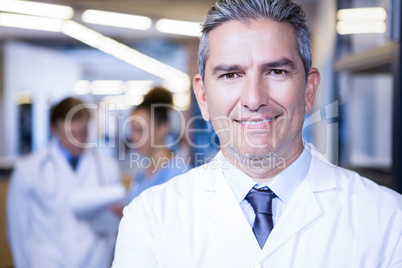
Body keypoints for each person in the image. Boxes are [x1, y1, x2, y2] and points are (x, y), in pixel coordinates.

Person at [112, 0, 402, 267]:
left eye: (276, 71)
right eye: (230, 75)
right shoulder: (149, 219)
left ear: (309, 89)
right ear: (202, 97)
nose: (253, 99)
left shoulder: (387, 221)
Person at [7, 97, 124, 268]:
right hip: (47, 261)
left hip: (95, 259)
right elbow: (18, 231)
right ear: (53, 129)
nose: (78, 141)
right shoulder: (28, 170)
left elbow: (113, 226)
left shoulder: (107, 168)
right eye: (71, 134)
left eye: (83, 133)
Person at [111, 88, 190, 217]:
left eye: (140, 130)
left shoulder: (180, 174)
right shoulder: (142, 174)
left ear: (162, 128)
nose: (134, 137)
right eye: (132, 130)